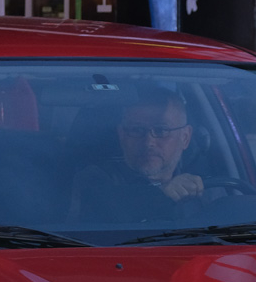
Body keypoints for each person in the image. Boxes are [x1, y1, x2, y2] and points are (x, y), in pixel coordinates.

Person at [69, 85, 205, 223]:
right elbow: (96, 216)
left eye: (162, 130)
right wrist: (161, 196)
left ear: (185, 137)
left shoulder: (208, 182)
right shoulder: (95, 178)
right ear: (121, 135)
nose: (148, 142)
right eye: (136, 130)